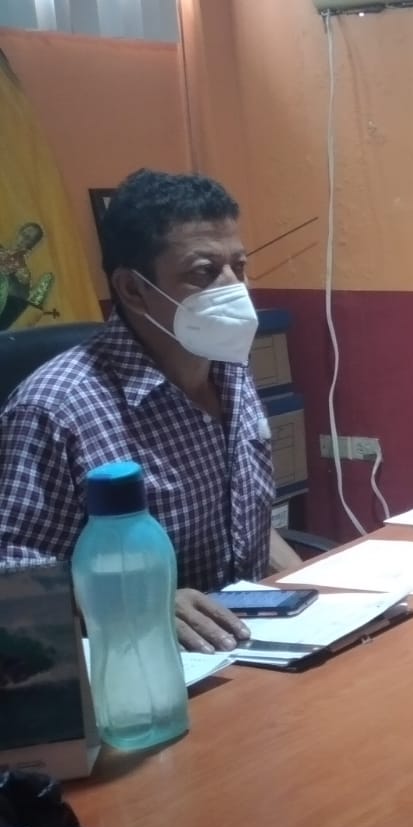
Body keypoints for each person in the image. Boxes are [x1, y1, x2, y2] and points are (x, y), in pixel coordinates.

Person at [0, 169, 302, 653]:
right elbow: (16, 585)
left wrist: (316, 594)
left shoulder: (229, 367)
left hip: (247, 642)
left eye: (239, 266)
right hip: (139, 660)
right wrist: (138, 602)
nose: (235, 289)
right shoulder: (55, 409)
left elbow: (245, 519)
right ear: (133, 289)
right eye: (204, 272)